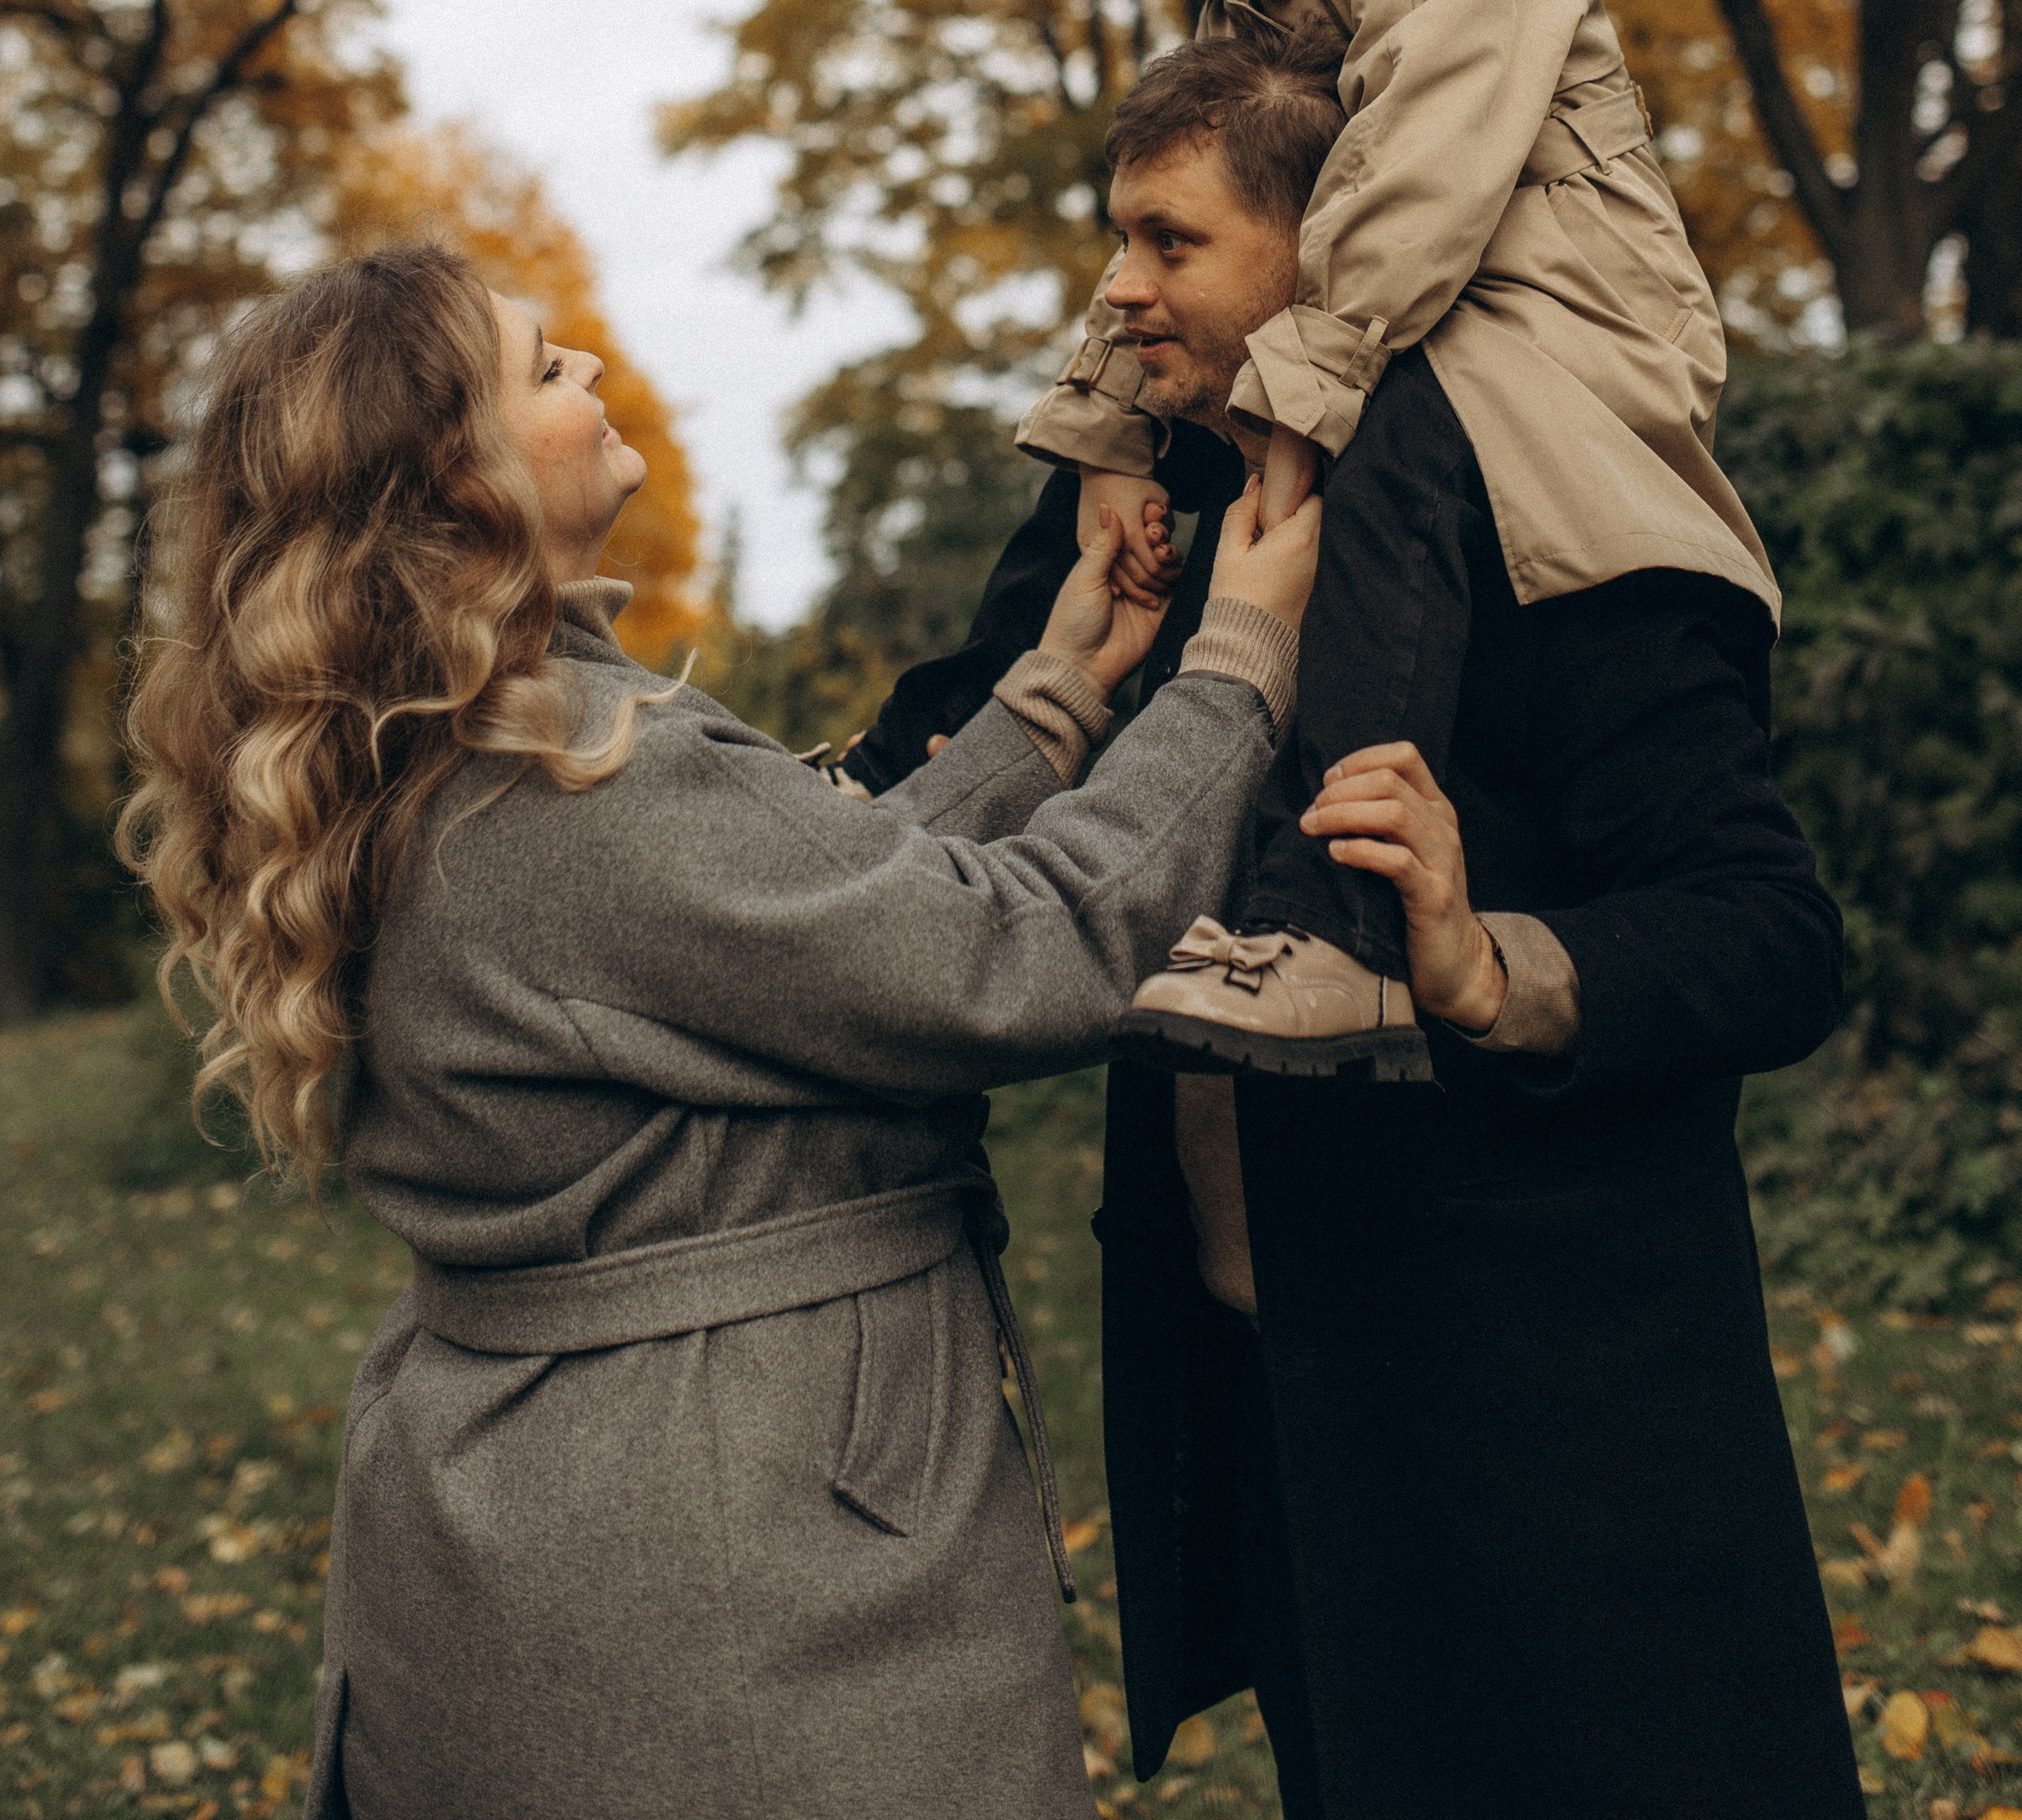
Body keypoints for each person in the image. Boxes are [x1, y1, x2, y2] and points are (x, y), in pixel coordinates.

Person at [115, 240, 1320, 1820]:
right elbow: (1019, 955)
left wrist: (1058, 691)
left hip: (572, 1521)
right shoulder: (565, 782)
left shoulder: (446, 746)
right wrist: (1236, 659)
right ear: (449, 482)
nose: (591, 375)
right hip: (734, 1571)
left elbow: (809, 922)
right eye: (542, 370)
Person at [861, 38, 1864, 1820]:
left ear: (1332, 246)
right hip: (1281, 1384)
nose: (1116, 286)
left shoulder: (1554, 511)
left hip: (1557, 1407)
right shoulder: (1138, 504)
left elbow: (1767, 929)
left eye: (1167, 242)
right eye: (1116, 238)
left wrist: (1491, 966)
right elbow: (934, 745)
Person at [1012, 0, 1780, 1068]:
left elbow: (1399, 203)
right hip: (1431, 303)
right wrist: (1109, 433)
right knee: (1193, 381)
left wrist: (1287, 429)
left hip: (1555, 328)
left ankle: (1338, 926)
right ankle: (949, 771)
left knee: (1367, 422)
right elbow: (1211, 219)